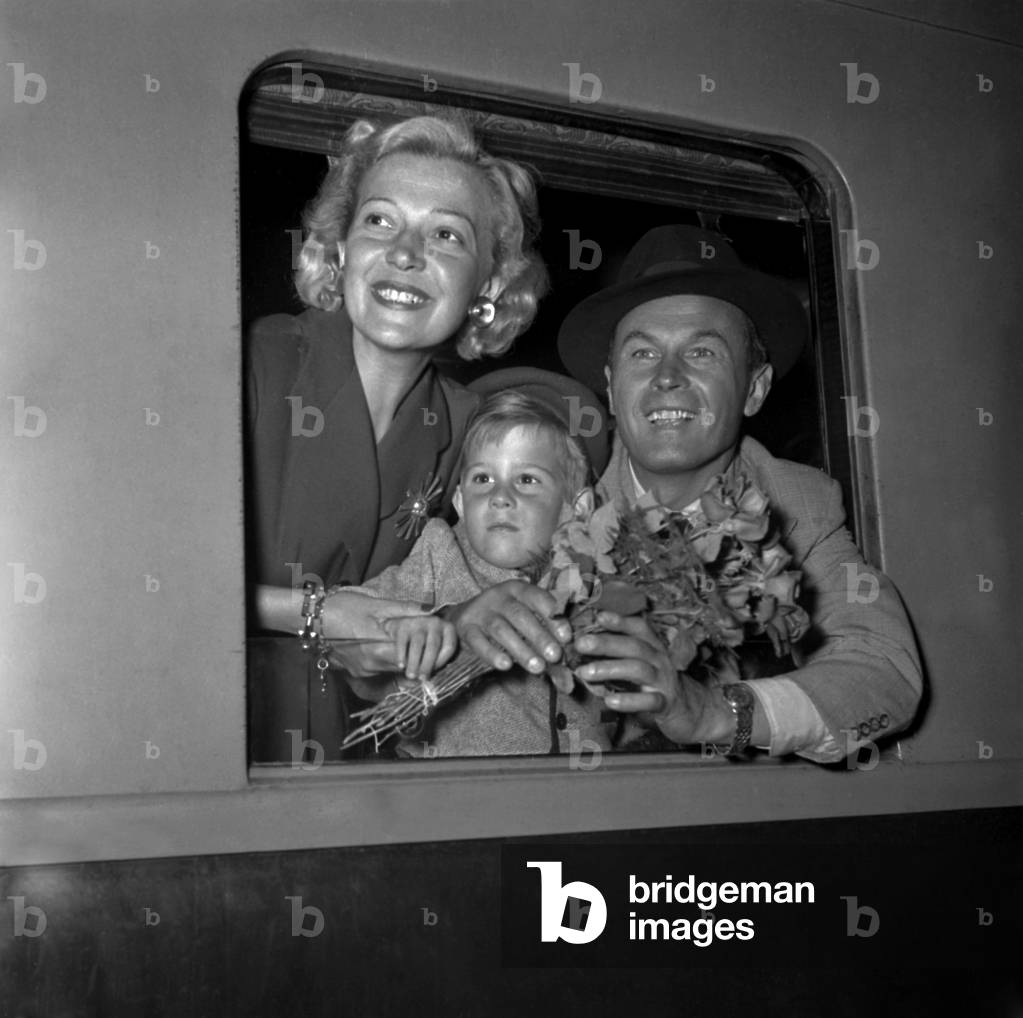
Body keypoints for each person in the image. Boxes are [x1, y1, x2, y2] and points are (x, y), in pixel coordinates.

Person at [448, 225, 922, 762]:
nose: (667, 377)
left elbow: (884, 671)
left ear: (755, 388)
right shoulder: (546, 483)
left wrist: (717, 713)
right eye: (643, 355)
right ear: (610, 384)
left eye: (701, 353)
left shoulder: (800, 507)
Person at [245, 115, 547, 762]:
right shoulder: (254, 367)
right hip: (218, 737)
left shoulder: (466, 427)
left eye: (445, 235)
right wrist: (319, 616)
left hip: (358, 765)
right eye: (379, 222)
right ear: (341, 250)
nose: (406, 253)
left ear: (487, 286)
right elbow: (143, 581)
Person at [341, 372, 609, 756]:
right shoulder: (440, 554)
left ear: (578, 508)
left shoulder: (599, 581)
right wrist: (421, 636)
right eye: (483, 478)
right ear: (461, 503)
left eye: (527, 480)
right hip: (456, 795)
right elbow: (353, 622)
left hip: (587, 800)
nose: (500, 496)